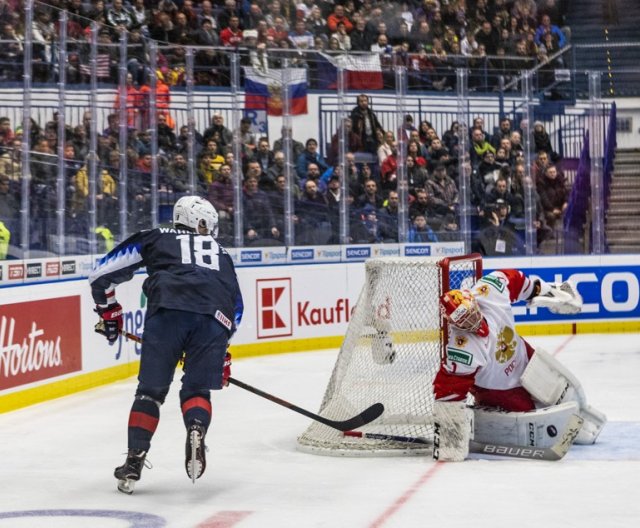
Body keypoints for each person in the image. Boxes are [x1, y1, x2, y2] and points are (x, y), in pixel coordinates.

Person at [89, 196, 243, 494]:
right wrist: (221, 350)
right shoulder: (222, 253)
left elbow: (101, 275)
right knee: (196, 389)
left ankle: (133, 462)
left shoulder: (155, 236)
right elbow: (236, 308)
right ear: (200, 222)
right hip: (214, 320)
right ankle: (196, 427)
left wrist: (109, 312)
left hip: (167, 312)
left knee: (150, 393)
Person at [433, 269, 606, 460]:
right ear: (453, 323)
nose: (472, 321)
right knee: (532, 421)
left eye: (471, 314)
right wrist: (450, 433)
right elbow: (449, 390)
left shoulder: (489, 291)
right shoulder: (462, 348)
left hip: (526, 359)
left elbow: (513, 279)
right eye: (464, 321)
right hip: (498, 389)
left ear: (472, 300)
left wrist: (545, 290)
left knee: (565, 395)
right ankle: (486, 414)